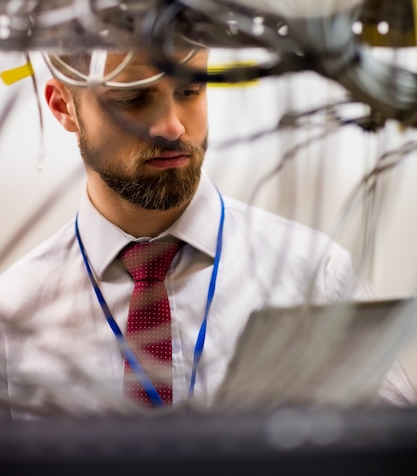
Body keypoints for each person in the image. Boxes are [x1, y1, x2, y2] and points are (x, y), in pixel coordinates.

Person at [0, 45, 415, 419]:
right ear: (63, 108)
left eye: (190, 91)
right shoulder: (12, 314)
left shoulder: (314, 275)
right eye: (134, 99)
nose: (172, 127)